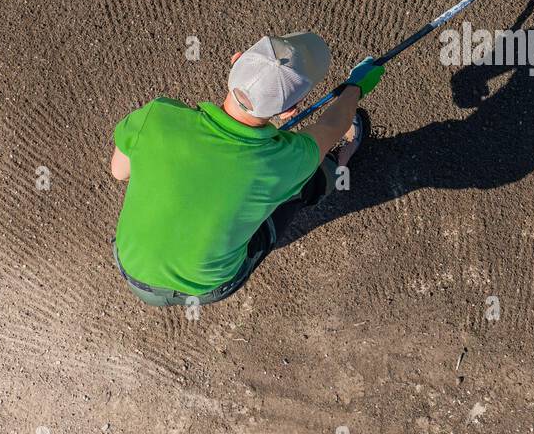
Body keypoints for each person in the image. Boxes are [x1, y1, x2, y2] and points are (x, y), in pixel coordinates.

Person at [108, 33, 383, 307]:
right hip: (209, 287)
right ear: (290, 111)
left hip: (130, 267)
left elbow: (120, 172)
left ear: (235, 60)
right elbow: (331, 127)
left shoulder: (157, 115)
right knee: (304, 182)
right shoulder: (286, 160)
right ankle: (340, 163)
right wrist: (355, 88)